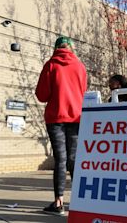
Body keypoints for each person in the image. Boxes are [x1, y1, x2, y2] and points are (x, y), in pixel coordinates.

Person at [35, 36, 87, 215]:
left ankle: (58, 203)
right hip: (76, 117)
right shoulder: (80, 66)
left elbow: (41, 95)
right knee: (73, 159)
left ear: (56, 48)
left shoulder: (50, 65)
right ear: (71, 48)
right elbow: (83, 91)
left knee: (61, 159)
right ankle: (81, 201)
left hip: (56, 118)